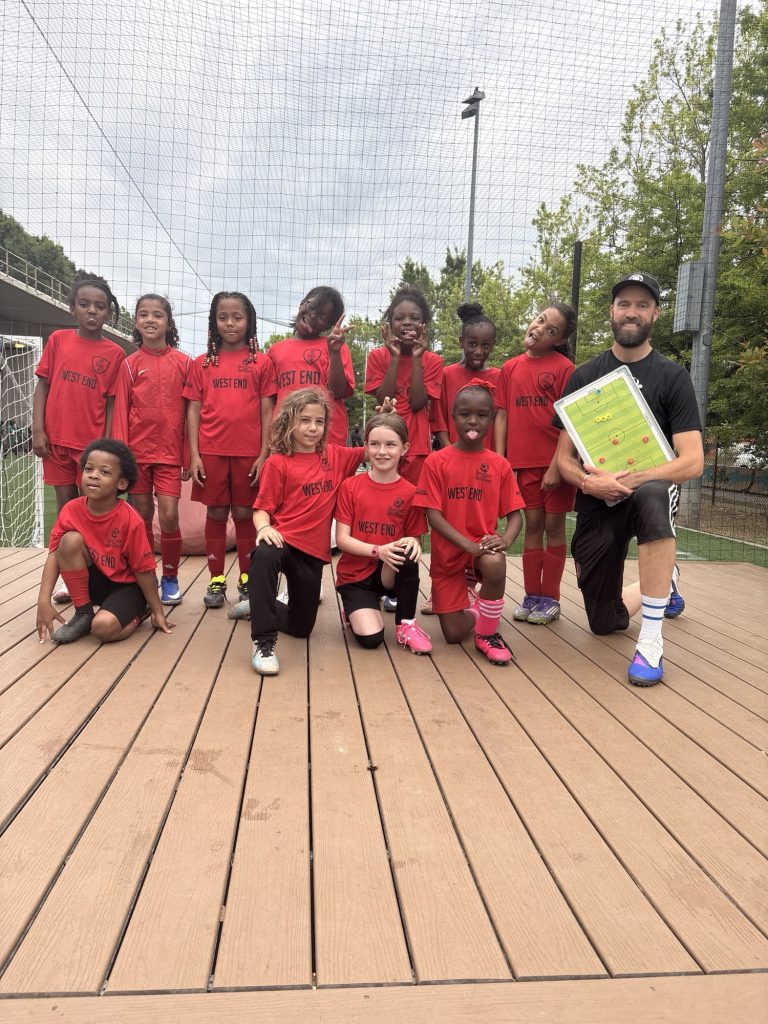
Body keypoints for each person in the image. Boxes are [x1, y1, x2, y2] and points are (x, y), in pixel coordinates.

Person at [554, 272, 703, 686]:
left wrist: (636, 478)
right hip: (598, 499)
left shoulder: (673, 376)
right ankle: (665, 581)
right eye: (624, 304)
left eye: (642, 305)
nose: (632, 312)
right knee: (605, 623)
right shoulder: (585, 375)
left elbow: (692, 462)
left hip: (647, 493)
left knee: (654, 495)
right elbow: (563, 460)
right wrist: (589, 484)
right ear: (612, 311)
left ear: (655, 313)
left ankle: (651, 641)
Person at [245, 388, 367, 675]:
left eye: (319, 421)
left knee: (301, 628)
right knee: (263, 555)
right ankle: (263, 641)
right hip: (283, 541)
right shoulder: (278, 463)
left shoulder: (335, 456)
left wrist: (385, 418)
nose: (313, 428)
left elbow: (374, 448)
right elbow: (261, 509)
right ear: (289, 421)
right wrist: (264, 527)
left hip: (311, 553)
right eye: (305, 420)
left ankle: (258, 604)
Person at [32, 271, 127, 602]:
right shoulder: (58, 340)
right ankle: (70, 581)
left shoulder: (115, 353)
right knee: (67, 512)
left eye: (99, 306)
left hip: (91, 451)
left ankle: (99, 578)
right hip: (56, 444)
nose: (92, 311)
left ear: (109, 313)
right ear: (72, 308)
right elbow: (42, 386)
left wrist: (105, 448)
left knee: (95, 512)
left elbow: (112, 403)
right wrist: (38, 429)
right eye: (84, 304)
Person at [414, 380, 524, 665]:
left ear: (492, 418)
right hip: (449, 555)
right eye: (465, 414)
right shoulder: (436, 462)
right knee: (453, 635)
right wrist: (467, 545)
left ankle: (487, 634)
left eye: (482, 415)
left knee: (495, 561)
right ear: (454, 416)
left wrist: (505, 541)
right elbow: (433, 516)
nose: (473, 421)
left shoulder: (499, 464)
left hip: (480, 549)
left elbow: (515, 515)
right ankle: (479, 609)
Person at [184, 291, 276, 608]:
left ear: (249, 321)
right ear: (214, 322)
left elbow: (267, 411)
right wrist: (194, 455)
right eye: (223, 317)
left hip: (249, 454)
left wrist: (264, 454)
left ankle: (247, 578)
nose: (230, 323)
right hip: (211, 452)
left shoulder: (261, 362)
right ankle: (216, 579)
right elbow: (193, 410)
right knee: (216, 513)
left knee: (245, 514)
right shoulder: (202, 363)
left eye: (237, 317)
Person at [36, 438, 172, 645]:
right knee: (69, 541)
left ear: (121, 483)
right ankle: (83, 614)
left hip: (128, 587)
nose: (94, 475)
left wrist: (157, 611)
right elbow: (54, 554)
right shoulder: (71, 510)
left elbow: (143, 570)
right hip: (96, 583)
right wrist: (43, 601)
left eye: (105, 472)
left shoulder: (130, 519)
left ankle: (139, 613)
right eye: (89, 469)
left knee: (102, 629)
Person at [494, 302, 577, 625]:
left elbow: (569, 422)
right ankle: (532, 596)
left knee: (554, 527)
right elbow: (502, 416)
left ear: (559, 340)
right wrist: (501, 461)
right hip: (523, 465)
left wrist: (558, 465)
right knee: (532, 527)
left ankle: (551, 598)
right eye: (540, 320)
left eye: (551, 330)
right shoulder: (510, 368)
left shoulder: (565, 369)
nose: (540, 329)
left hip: (557, 465)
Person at [112, 294, 193, 606]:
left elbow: (192, 413)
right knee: (141, 516)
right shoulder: (129, 364)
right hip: (137, 455)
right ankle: (147, 576)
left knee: (169, 515)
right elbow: (121, 411)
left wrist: (188, 454)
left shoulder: (184, 363)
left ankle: (170, 577)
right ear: (135, 321)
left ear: (168, 322)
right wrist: (122, 458)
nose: (150, 320)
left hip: (170, 455)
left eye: (157, 315)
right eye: (143, 314)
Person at [422, 301, 500, 616]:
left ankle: (471, 583)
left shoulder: (499, 376)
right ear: (461, 342)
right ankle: (441, 588)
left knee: (479, 523)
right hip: (452, 461)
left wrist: (498, 459)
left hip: (485, 465)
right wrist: (448, 451)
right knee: (448, 522)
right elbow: (439, 417)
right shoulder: (446, 374)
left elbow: (501, 419)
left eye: (486, 345)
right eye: (472, 344)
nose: (478, 351)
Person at [335, 412, 431, 655]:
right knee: (371, 639)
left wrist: (411, 542)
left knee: (408, 550)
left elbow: (415, 539)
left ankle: (405, 625)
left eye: (390, 445)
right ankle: (353, 610)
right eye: (375, 444)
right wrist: (378, 550)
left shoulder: (411, 492)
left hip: (388, 573)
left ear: (404, 448)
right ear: (366, 447)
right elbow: (342, 539)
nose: (382, 452)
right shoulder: (350, 486)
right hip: (356, 576)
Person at [365, 287, 443, 486]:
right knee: (383, 495)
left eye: (414, 318)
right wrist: (395, 358)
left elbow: (417, 403)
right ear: (391, 324)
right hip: (385, 444)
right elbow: (384, 400)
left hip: (416, 446)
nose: (407, 322)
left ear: (423, 325)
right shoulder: (377, 356)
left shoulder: (432, 361)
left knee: (414, 499)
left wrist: (416, 358)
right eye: (399, 318)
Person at [267, 287, 354, 446]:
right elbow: (268, 400)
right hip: (286, 438)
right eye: (312, 306)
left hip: (326, 439)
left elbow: (339, 391)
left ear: (328, 325)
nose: (313, 316)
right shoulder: (274, 351)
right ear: (302, 303)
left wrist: (334, 352)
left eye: (322, 316)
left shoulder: (335, 347)